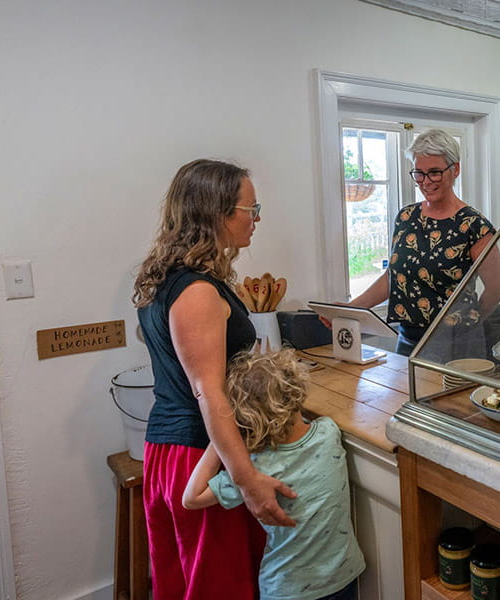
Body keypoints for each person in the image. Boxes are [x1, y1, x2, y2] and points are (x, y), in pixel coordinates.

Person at [133, 159, 296, 600]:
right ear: (218, 212)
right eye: (251, 208)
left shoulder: (169, 280)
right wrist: (246, 479)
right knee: (218, 585)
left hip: (173, 449)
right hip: (198, 453)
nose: (256, 218)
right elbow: (209, 393)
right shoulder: (197, 291)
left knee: (186, 581)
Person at [182, 349, 365, 600]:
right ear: (298, 392)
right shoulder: (328, 433)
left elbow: (191, 498)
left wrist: (221, 436)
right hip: (343, 577)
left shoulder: (254, 471)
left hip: (286, 589)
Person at [348, 129, 500, 357]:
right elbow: (394, 278)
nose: (426, 182)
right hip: (408, 339)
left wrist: (470, 320)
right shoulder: (406, 218)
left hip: (457, 345)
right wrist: (351, 309)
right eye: (419, 173)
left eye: (434, 172)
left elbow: (497, 287)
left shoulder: (474, 225)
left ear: (456, 170)